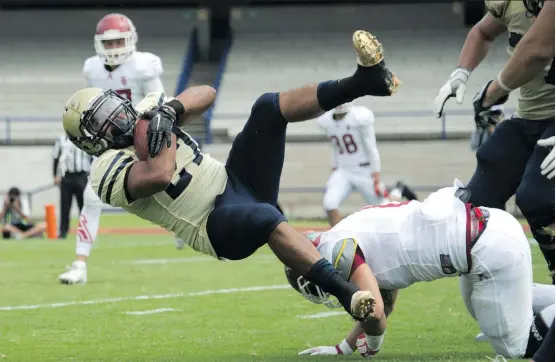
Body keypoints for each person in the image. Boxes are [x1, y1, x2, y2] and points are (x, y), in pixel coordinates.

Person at [61, 30, 400, 320]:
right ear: (90, 141)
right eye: (100, 121)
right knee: (264, 216)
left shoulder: (149, 109)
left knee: (267, 107)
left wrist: (170, 109)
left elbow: (206, 92)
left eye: (109, 108)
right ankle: (347, 295)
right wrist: (154, 125)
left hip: (235, 181)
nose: (114, 118)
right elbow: (161, 173)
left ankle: (363, 81)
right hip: (214, 224)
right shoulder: (106, 170)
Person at [285, 181, 555, 359]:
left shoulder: (337, 247)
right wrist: (344, 347)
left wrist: (374, 345)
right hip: (490, 230)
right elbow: (386, 300)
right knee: (486, 306)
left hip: (488, 250)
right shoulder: (344, 234)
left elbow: (376, 310)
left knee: (513, 347)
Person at [433, 0, 555, 281]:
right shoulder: (510, 4)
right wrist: (461, 72)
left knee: (537, 198)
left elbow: (536, 50)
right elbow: (482, 32)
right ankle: (499, 290)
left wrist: (492, 92)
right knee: (475, 206)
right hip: (528, 118)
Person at [58, 13, 177, 284]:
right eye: (108, 43)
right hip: (113, 146)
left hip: (147, 138)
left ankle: (188, 232)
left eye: (118, 41)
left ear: (131, 40)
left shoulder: (143, 66)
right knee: (91, 197)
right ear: (99, 44)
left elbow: (161, 102)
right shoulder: (93, 69)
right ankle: (80, 264)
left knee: (172, 189)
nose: (113, 48)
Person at [52, 134, 93, 239]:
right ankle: (63, 232)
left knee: (84, 206)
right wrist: (55, 174)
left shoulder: (85, 138)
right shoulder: (61, 139)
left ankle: (86, 231)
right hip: (67, 176)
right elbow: (56, 157)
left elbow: (92, 157)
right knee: (65, 206)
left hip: (82, 176)